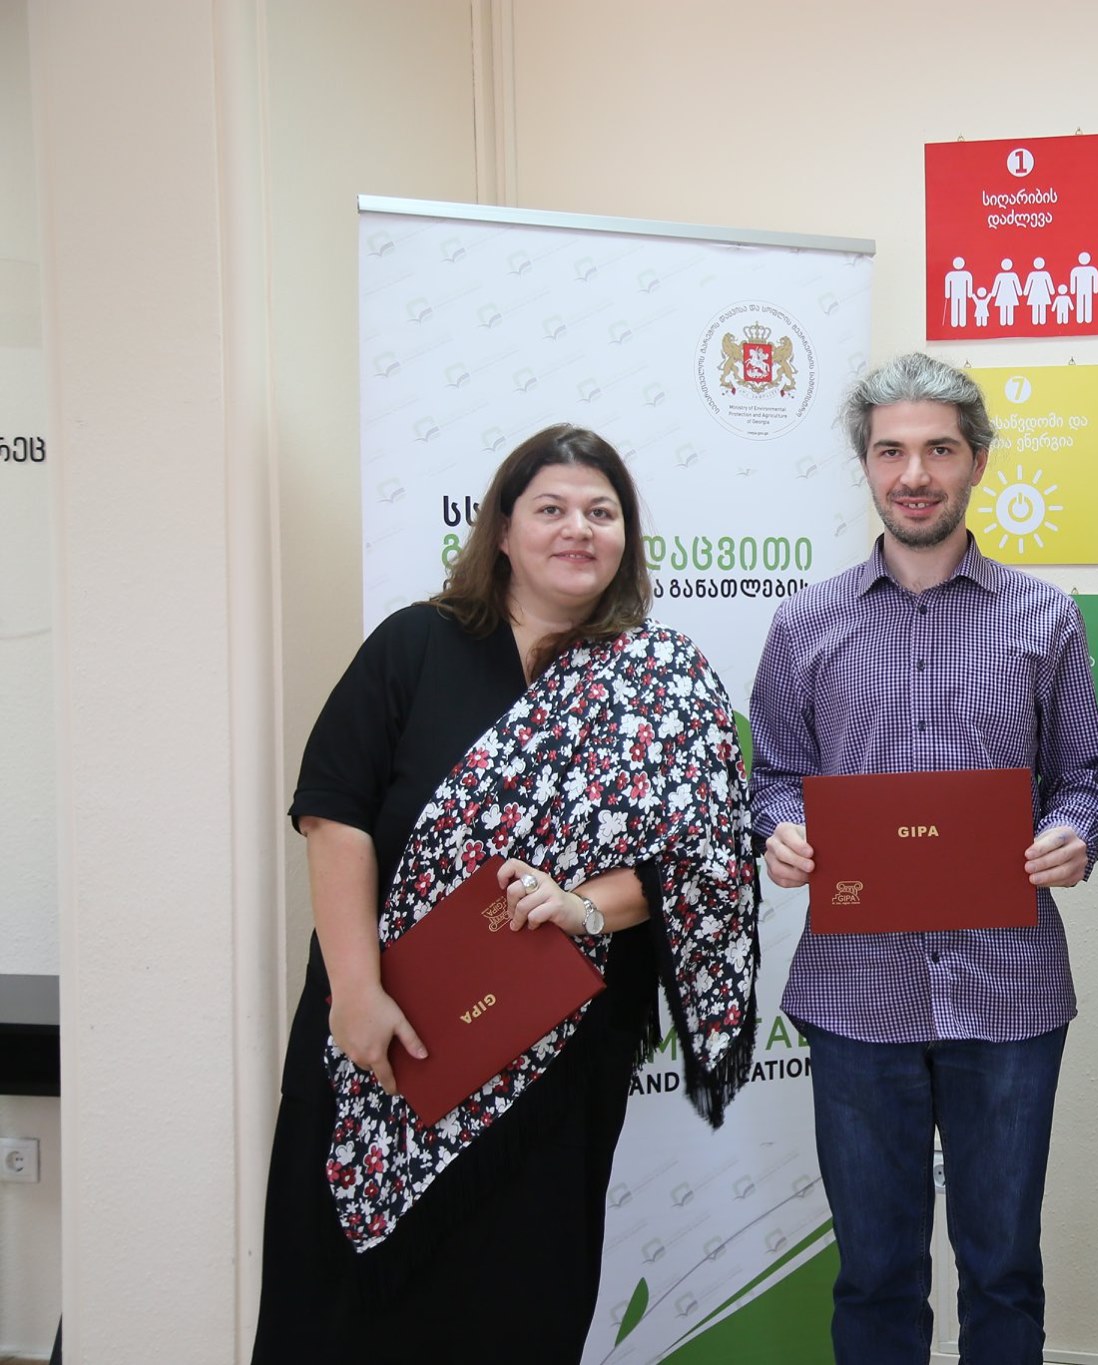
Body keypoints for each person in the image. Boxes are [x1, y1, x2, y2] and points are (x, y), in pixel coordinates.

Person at [253, 425, 759, 1363]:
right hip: (390, 1038)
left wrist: (581, 906)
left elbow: (700, 860)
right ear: (501, 530)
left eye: (601, 511)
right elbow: (335, 814)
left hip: (557, 1059)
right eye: (552, 508)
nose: (579, 529)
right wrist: (355, 993)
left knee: (521, 1302)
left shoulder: (662, 680)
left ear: (625, 537)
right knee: (341, 1311)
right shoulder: (415, 645)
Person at [749, 352, 1098, 1365]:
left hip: (1008, 993)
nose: (913, 474)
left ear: (978, 462)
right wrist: (780, 828)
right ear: (865, 464)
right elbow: (773, 776)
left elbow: (1088, 777)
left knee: (1002, 1270)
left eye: (939, 450)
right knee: (874, 1274)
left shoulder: (1043, 618)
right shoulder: (805, 623)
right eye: (890, 452)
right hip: (854, 995)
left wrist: (1076, 834)